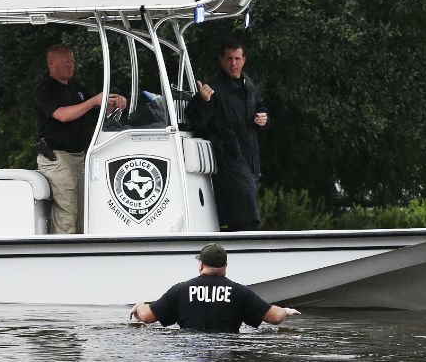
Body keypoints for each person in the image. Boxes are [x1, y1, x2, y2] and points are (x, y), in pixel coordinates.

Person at [34, 44, 127, 234]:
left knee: (83, 214)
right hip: (56, 159)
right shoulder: (44, 89)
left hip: (78, 158)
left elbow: (97, 112)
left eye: (72, 61)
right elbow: (62, 115)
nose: (71, 65)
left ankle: (78, 257)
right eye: (66, 61)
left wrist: (115, 103)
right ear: (51, 64)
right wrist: (93, 100)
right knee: (67, 214)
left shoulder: (76, 89)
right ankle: (59, 258)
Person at [186, 40, 269, 231]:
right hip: (228, 162)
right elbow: (197, 123)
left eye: (237, 59)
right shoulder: (213, 88)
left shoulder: (248, 84)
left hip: (250, 161)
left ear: (244, 60)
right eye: (229, 59)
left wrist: (264, 119)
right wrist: (203, 101)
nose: (234, 63)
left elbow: (260, 108)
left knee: (244, 217)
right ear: (221, 60)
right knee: (245, 219)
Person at [130, 243, 300, 332]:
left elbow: (146, 316)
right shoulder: (241, 293)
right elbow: (276, 317)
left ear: (201, 264)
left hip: (190, 350)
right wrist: (284, 310)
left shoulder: (180, 290)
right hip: (229, 350)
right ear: (225, 265)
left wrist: (139, 305)